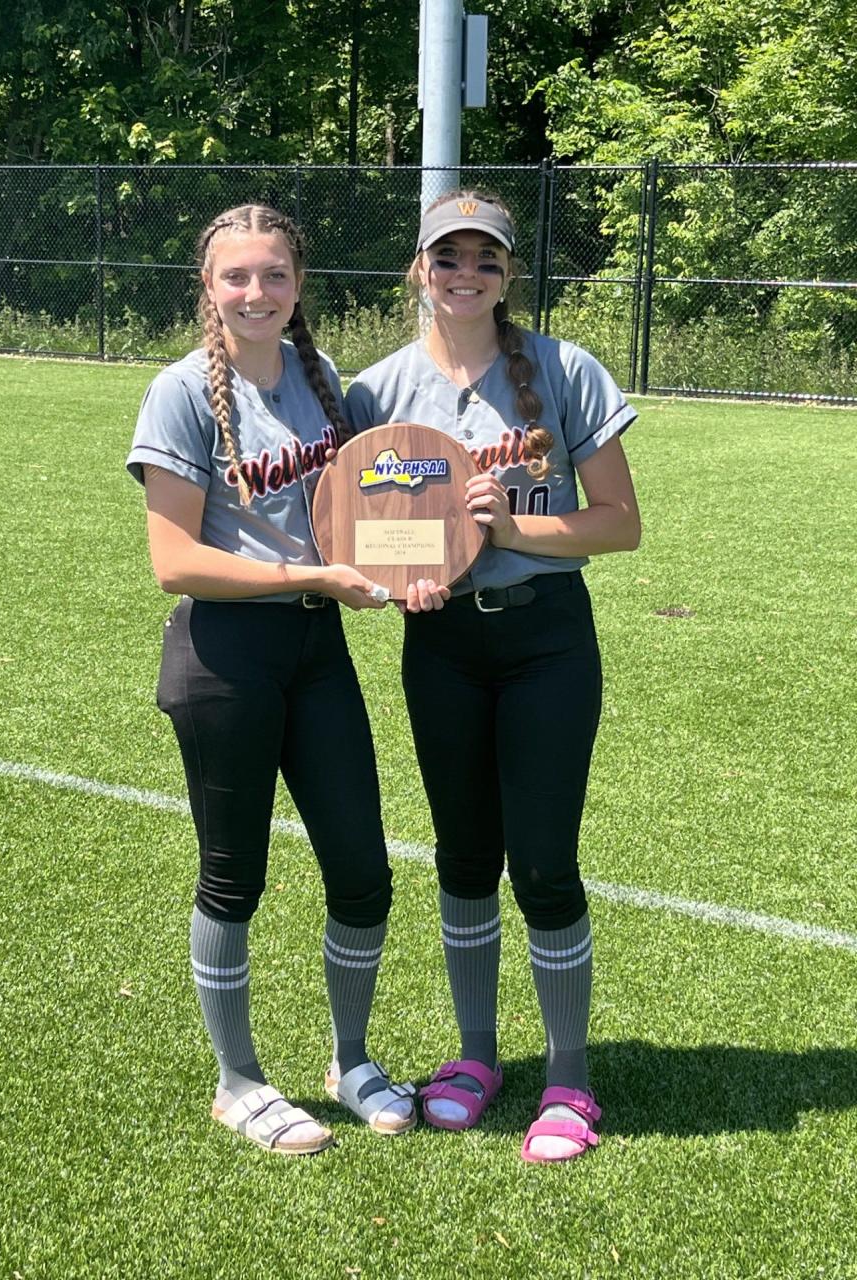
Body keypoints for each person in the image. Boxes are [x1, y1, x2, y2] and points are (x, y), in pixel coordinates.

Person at [345, 190, 641, 1163]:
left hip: (548, 639)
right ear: (419, 268)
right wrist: (397, 585)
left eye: (485, 259)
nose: (464, 273)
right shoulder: (377, 391)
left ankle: (569, 1074)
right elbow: (358, 532)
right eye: (447, 257)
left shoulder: (563, 369)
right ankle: (475, 1056)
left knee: (543, 863)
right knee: (465, 859)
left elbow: (618, 523)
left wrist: (509, 528)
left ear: (508, 273)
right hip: (444, 648)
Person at [126, 204, 416, 1156]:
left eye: (275, 275)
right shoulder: (178, 393)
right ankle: (238, 1080)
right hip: (225, 661)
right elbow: (174, 561)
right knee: (232, 879)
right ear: (209, 290)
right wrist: (314, 578)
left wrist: (431, 550)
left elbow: (384, 494)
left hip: (315, 652)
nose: (257, 293)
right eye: (237, 277)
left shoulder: (322, 379)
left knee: (364, 871)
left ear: (299, 287)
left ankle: (351, 1058)